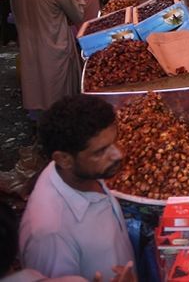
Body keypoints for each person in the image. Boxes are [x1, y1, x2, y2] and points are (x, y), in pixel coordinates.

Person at [19, 95, 136, 280]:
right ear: (64, 159)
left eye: (115, 141)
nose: (118, 154)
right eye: (100, 151)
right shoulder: (50, 234)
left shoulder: (86, 173)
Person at [9, 0, 85, 113]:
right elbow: (78, 15)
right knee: (58, 101)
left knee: (37, 93)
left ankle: (40, 131)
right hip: (55, 50)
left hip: (29, 48)